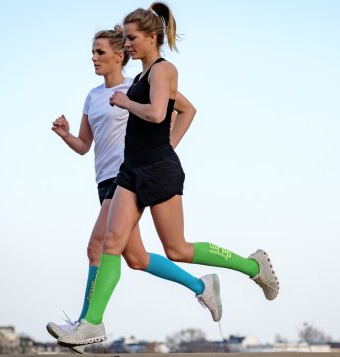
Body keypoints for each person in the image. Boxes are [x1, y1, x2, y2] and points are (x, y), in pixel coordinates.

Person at [58, 2, 279, 347]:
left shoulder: (163, 70)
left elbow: (161, 112)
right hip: (129, 170)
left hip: (157, 169)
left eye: (131, 38)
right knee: (111, 245)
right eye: (125, 39)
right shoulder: (139, 79)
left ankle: (253, 267)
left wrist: (156, 134)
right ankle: (92, 323)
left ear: (151, 37)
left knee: (177, 248)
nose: (127, 43)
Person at [48, 25, 221, 353]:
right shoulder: (92, 96)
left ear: (119, 56)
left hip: (129, 176)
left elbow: (183, 109)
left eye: (100, 52)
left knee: (96, 246)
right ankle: (201, 286)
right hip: (104, 182)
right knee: (137, 258)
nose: (93, 58)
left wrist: (164, 149)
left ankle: (86, 325)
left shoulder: (139, 86)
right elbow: (85, 146)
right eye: (92, 52)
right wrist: (66, 134)